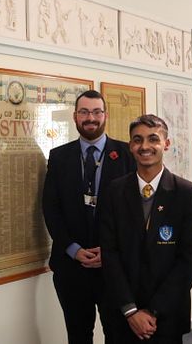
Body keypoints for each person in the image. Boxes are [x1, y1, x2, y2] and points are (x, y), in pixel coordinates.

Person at [42, 89, 136, 344]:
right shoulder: (59, 157)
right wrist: (72, 249)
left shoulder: (127, 154)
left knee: (117, 335)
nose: (90, 118)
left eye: (96, 112)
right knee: (78, 335)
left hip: (114, 268)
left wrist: (109, 251)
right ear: (75, 116)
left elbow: (135, 214)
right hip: (72, 268)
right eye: (84, 112)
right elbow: (51, 209)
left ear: (105, 115)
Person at [99, 114, 192, 344]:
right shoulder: (114, 192)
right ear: (130, 146)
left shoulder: (187, 194)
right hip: (122, 317)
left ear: (166, 144)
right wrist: (131, 311)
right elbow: (109, 254)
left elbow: (189, 261)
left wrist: (152, 311)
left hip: (166, 318)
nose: (145, 146)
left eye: (153, 139)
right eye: (137, 140)